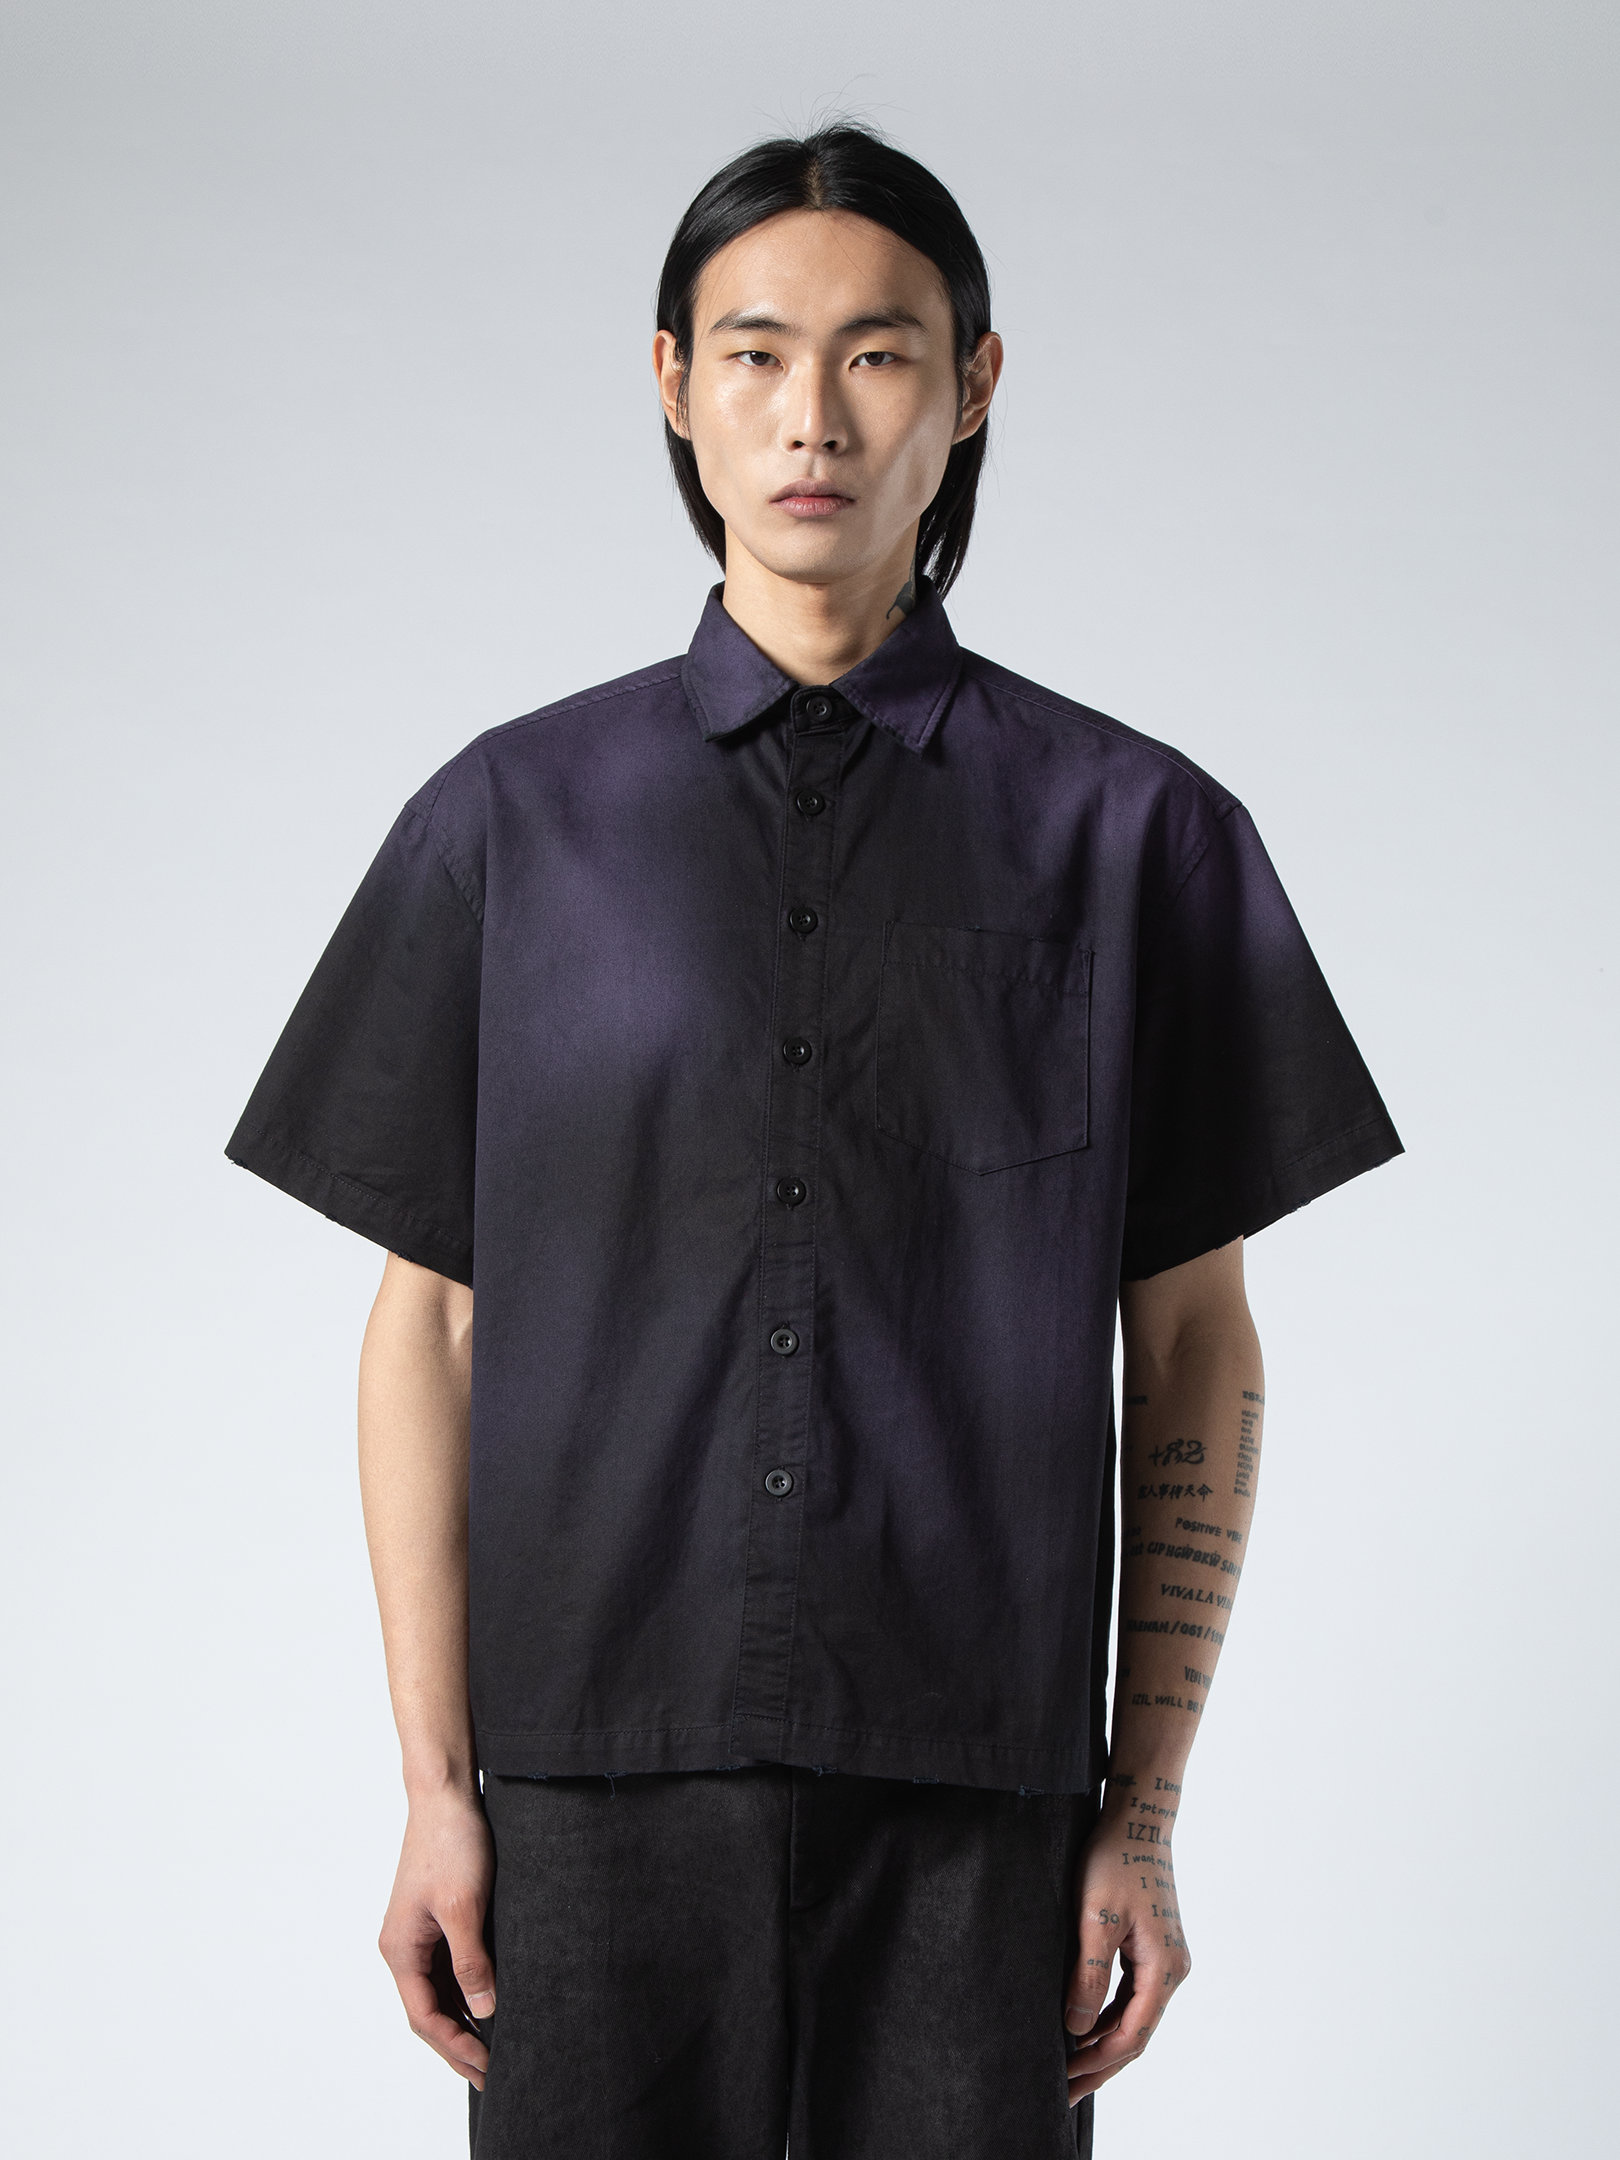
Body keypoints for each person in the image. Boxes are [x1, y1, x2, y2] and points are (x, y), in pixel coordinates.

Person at [227, 125, 1401, 2158]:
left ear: (974, 386)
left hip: (980, 1801)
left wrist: (1141, 1812)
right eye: (756, 353)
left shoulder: (1136, 835)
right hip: (589, 1792)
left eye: (878, 354)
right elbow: (428, 1325)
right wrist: (435, 1788)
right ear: (673, 382)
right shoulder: (511, 822)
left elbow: (1197, 1336)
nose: (813, 418)